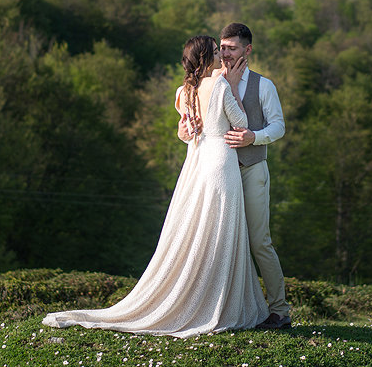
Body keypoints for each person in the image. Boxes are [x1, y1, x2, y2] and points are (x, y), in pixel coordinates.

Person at [42, 35, 267, 338]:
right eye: (215, 52)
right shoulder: (222, 86)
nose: (219, 56)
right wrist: (235, 86)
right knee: (220, 227)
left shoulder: (184, 91)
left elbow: (186, 132)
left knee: (197, 225)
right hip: (220, 161)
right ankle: (215, 300)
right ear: (204, 59)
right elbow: (240, 122)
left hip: (196, 162)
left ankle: (197, 292)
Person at [183, 23, 290, 329]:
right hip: (217, 176)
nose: (226, 53)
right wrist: (183, 130)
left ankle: (280, 310)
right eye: (222, 47)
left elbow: (278, 126)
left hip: (252, 170)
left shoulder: (263, 85)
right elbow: (190, 118)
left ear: (248, 50)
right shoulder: (210, 81)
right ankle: (219, 308)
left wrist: (253, 137)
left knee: (259, 242)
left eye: (231, 48)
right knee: (215, 240)